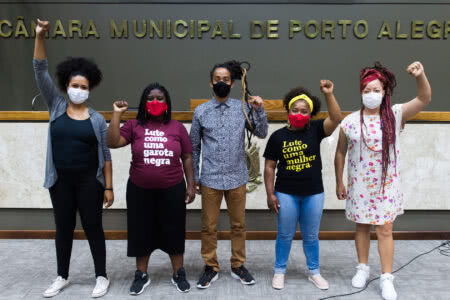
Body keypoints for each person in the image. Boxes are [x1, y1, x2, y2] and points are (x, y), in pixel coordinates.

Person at [334, 62, 431, 300]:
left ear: (385, 91)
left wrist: (420, 76)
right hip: (359, 185)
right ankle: (362, 268)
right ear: (360, 92)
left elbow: (424, 98)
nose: (371, 95)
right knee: (362, 226)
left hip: (386, 185)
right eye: (366, 91)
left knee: (385, 229)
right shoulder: (350, 121)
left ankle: (387, 278)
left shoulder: (395, 115)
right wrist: (339, 181)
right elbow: (340, 152)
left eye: (376, 90)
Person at [33, 19, 113, 298]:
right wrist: (40, 36)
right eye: (74, 84)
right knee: (63, 228)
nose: (78, 89)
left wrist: (109, 186)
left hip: (90, 182)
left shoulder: (97, 119)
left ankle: (101, 276)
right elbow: (40, 70)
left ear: (90, 88)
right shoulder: (55, 106)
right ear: (66, 86)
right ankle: (61, 276)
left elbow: (106, 154)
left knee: (93, 227)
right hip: (60, 181)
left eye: (83, 85)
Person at [107, 83, 195, 294]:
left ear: (167, 103)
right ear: (143, 103)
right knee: (141, 231)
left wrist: (191, 185)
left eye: (160, 98)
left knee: (174, 231)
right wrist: (116, 115)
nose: (155, 102)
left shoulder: (177, 127)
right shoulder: (134, 125)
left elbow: (187, 157)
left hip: (173, 188)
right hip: (139, 189)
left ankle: (178, 272)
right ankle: (141, 274)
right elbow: (112, 141)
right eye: (150, 98)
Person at [190, 60, 268, 289]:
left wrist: (260, 110)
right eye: (217, 79)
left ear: (232, 83)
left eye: (225, 79)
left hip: (237, 177)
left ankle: (238, 264)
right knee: (208, 227)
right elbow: (194, 148)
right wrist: (194, 177)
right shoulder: (201, 111)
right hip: (210, 179)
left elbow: (262, 133)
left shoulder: (243, 107)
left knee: (238, 225)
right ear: (211, 83)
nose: (221, 82)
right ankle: (210, 266)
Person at [264, 80, 342, 290]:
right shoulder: (277, 136)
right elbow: (270, 167)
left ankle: (314, 272)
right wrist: (270, 194)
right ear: (288, 110)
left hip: (313, 193)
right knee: (285, 234)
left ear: (311, 113)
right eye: (295, 110)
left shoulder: (316, 130)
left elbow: (336, 118)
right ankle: (279, 271)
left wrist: (329, 94)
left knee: (310, 236)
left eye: (304, 111)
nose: (299, 114)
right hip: (285, 193)